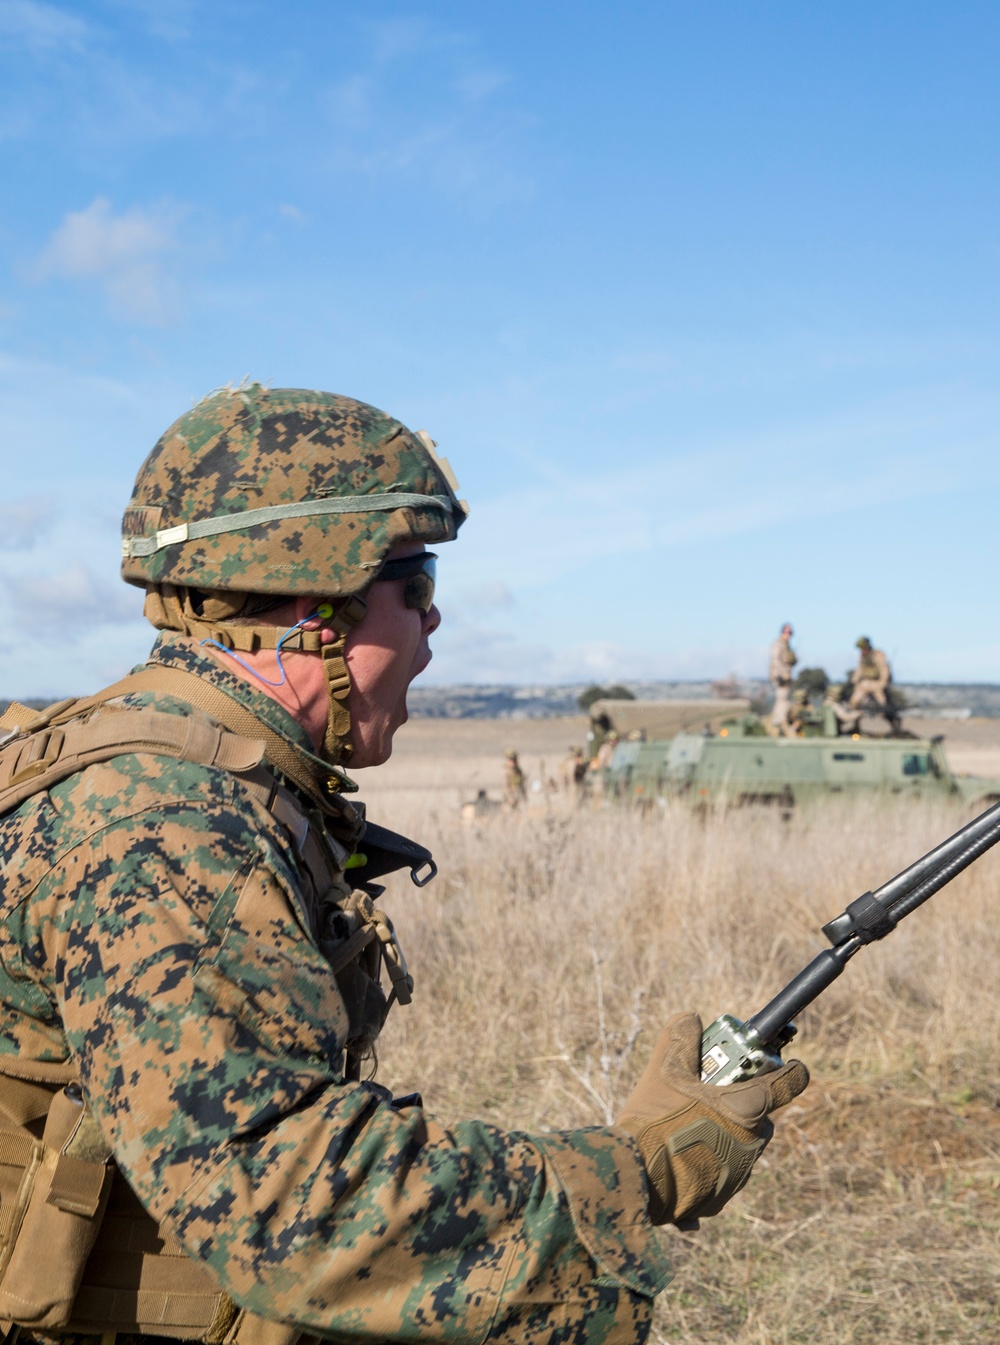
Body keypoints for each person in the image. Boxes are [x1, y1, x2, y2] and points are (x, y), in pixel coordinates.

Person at [0, 384, 808, 1344]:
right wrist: (635, 1171)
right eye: (416, 586)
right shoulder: (167, 829)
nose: (434, 627)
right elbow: (293, 1205)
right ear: (314, 607)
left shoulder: (167, 764)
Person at [769, 623, 797, 736]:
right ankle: (778, 722)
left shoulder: (787, 645)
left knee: (784, 699)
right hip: (780, 676)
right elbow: (775, 660)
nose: (788, 635)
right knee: (782, 698)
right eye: (786, 632)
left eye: (790, 632)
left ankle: (779, 720)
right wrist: (781, 674)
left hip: (786, 676)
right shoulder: (778, 644)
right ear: (782, 632)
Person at [849, 636, 892, 710]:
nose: (862, 650)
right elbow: (860, 669)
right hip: (864, 683)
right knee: (854, 701)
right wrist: (855, 679)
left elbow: (883, 669)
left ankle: (886, 713)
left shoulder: (877, 655)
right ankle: (855, 717)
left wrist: (883, 682)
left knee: (882, 703)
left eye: (863, 648)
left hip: (876, 683)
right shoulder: (862, 656)